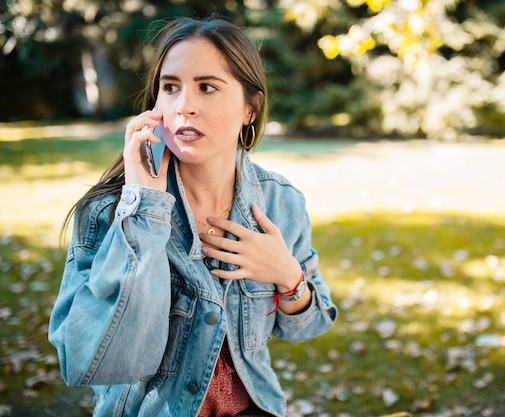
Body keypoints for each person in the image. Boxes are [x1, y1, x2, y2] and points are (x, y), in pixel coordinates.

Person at [48, 15, 338, 417]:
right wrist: (143, 211)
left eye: (207, 87)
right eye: (170, 88)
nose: (184, 106)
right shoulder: (107, 211)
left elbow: (308, 326)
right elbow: (87, 361)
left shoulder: (280, 203)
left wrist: (288, 276)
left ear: (249, 109)